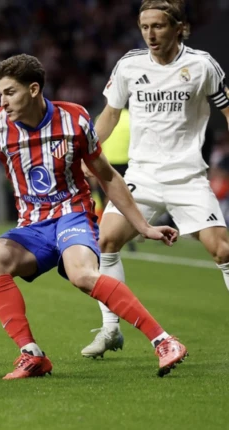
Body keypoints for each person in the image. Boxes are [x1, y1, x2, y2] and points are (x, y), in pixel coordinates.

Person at [0, 53, 187, 379]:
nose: (3, 101)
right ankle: (31, 354)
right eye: (0, 93)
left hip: (73, 214)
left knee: (82, 274)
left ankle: (164, 341)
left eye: (10, 92)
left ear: (34, 89)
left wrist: (144, 226)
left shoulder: (75, 119)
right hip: (32, 226)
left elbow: (107, 176)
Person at [81, 0, 229, 358]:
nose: (150, 34)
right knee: (107, 241)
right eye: (145, 26)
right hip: (141, 176)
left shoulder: (202, 65)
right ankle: (110, 330)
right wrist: (88, 151)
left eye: (159, 26)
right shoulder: (130, 65)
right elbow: (110, 115)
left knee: (222, 250)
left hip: (187, 176)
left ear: (179, 28)